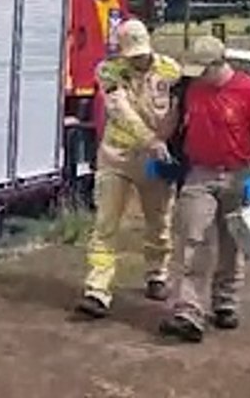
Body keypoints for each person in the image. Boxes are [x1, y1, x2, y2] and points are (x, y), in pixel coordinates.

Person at [159, 34, 250, 343]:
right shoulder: (190, 90)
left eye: (202, 70)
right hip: (200, 173)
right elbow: (169, 126)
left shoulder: (248, 90)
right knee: (192, 239)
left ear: (218, 64)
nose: (197, 76)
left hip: (238, 174)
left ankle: (225, 301)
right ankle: (188, 310)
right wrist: (160, 136)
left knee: (232, 242)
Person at [76, 19, 183, 319]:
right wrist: (150, 139)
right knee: (106, 222)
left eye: (142, 54)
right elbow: (118, 110)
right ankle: (97, 289)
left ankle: (156, 274)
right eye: (133, 55)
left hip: (155, 161)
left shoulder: (170, 71)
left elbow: (180, 108)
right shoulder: (109, 71)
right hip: (117, 156)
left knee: (160, 221)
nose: (139, 60)